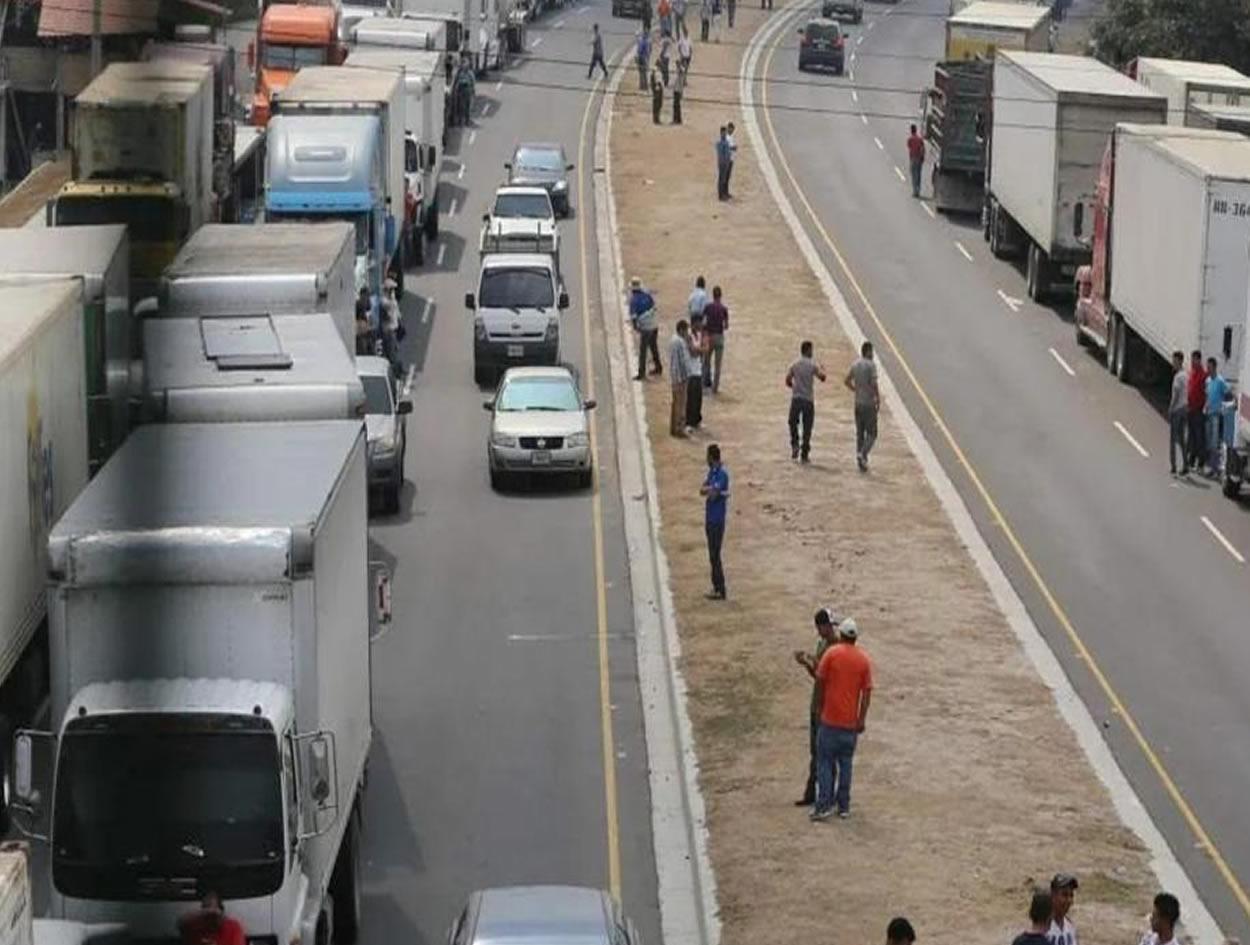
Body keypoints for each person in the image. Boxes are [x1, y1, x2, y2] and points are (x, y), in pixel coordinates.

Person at [811, 617, 871, 820]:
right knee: (846, 764)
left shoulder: (831, 654)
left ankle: (823, 805)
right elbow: (867, 693)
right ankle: (843, 805)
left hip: (830, 720)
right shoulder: (863, 660)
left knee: (825, 763)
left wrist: (818, 707)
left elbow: (819, 679)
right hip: (849, 724)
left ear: (842, 635)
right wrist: (861, 719)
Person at [793, 608, 841, 806]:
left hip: (826, 707)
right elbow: (819, 676)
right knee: (817, 752)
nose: (831, 630)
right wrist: (809, 664)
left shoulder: (834, 647)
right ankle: (816, 792)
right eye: (828, 626)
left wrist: (810, 664)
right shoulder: (824, 644)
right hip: (819, 705)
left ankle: (823, 794)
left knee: (826, 752)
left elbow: (826, 677)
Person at [786, 340, 827, 463]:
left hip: (796, 398)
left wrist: (794, 387)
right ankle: (804, 452)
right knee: (807, 427)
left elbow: (787, 380)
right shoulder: (812, 365)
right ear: (808, 350)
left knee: (792, 422)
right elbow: (822, 378)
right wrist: (822, 369)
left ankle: (794, 444)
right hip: (808, 399)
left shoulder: (795, 364)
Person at [844, 340, 880, 471]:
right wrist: (877, 398)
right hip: (868, 403)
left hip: (857, 402)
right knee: (872, 433)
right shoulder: (871, 365)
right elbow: (874, 383)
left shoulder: (855, 364)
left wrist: (855, 389)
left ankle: (861, 461)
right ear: (868, 351)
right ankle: (863, 453)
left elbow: (846, 381)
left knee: (860, 433)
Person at [700, 443, 729, 599]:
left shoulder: (722, 475)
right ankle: (715, 586)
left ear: (711, 457)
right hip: (710, 519)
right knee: (712, 555)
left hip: (717, 520)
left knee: (715, 555)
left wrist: (710, 490)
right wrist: (710, 489)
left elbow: (712, 494)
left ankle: (720, 588)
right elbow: (703, 490)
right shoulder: (712, 473)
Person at [178, 892, 246, 945]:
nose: (210, 919)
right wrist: (207, 911)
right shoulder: (196, 927)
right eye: (207, 914)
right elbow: (181, 922)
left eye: (213, 915)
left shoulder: (233, 927)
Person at [629, 277, 662, 379]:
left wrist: (636, 327)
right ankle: (658, 367)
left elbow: (634, 317)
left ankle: (641, 373)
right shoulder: (647, 295)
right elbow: (654, 307)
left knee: (643, 351)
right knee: (653, 347)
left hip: (646, 328)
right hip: (654, 325)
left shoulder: (633, 300)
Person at [1204, 356, 1228, 477]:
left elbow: (1228, 393)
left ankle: (1216, 468)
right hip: (1208, 414)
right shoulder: (1208, 381)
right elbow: (1207, 396)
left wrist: (1224, 407)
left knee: (1215, 442)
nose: (1207, 368)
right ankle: (1212, 467)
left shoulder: (1220, 381)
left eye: (1209, 366)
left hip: (1216, 415)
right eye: (1207, 366)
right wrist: (1205, 407)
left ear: (1214, 367)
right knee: (1209, 442)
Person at [702, 284, 728, 391]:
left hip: (709, 336)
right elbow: (726, 326)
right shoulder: (724, 309)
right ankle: (715, 388)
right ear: (720, 296)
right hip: (719, 337)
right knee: (718, 365)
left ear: (713, 295)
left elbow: (703, 322)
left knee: (706, 361)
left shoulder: (708, 307)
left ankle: (704, 383)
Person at [668, 319, 692, 436]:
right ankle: (679, 429)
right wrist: (688, 375)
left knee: (675, 403)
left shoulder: (673, 340)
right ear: (682, 330)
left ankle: (673, 427)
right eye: (686, 330)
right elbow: (684, 361)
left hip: (674, 376)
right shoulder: (681, 342)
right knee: (681, 404)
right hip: (681, 378)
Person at [1168, 350, 1189, 476]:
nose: (1173, 363)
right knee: (1181, 439)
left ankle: (1173, 466)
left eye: (1175, 361)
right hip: (1185, 408)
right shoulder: (1186, 375)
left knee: (1173, 439)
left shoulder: (1178, 377)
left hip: (1177, 410)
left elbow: (1175, 394)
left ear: (1180, 361)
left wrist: (1171, 408)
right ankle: (1185, 465)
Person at [380, 277, 404, 376]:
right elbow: (389, 309)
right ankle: (395, 372)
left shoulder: (391, 298)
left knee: (395, 349)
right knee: (391, 352)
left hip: (394, 328)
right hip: (388, 330)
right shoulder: (385, 301)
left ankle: (397, 369)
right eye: (391, 289)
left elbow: (396, 311)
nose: (393, 291)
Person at [1186, 349, 1205, 471]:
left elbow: (1203, 393)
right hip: (1190, 409)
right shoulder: (1192, 373)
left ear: (1199, 360)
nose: (1192, 362)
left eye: (1194, 359)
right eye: (1191, 359)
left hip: (1198, 410)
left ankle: (1201, 462)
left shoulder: (1203, 375)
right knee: (1191, 436)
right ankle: (1191, 460)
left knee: (1199, 437)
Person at [687, 312, 706, 428]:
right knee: (691, 398)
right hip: (690, 371)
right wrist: (700, 350)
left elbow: (704, 349)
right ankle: (689, 421)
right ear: (694, 323)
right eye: (700, 322)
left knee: (698, 397)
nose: (702, 325)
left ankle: (696, 420)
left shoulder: (699, 334)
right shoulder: (688, 335)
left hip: (698, 370)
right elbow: (692, 352)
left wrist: (699, 350)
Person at [1047, 874, 1078, 945]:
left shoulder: (1070, 927)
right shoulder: (1043, 927)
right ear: (1052, 895)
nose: (1069, 900)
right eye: (1064, 895)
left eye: (1071, 895)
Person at [906, 123, 925, 198]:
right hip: (919, 159)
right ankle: (918, 190)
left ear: (911, 131)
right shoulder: (920, 139)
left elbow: (909, 148)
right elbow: (922, 149)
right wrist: (922, 157)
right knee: (918, 174)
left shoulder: (910, 139)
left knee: (913, 175)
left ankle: (915, 191)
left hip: (913, 158)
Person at [354, 287, 374, 356]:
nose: (368, 298)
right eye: (367, 295)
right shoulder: (359, 304)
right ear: (362, 295)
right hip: (360, 334)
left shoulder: (367, 306)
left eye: (369, 296)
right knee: (363, 352)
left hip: (366, 333)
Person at [715, 126, 732, 200]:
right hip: (723, 163)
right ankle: (721, 195)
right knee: (721, 179)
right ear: (721, 133)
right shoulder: (720, 143)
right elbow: (721, 154)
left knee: (724, 179)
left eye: (725, 132)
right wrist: (724, 162)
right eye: (724, 132)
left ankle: (723, 194)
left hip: (726, 162)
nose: (725, 134)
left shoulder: (726, 142)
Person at [724, 122, 737, 195]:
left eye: (733, 130)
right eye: (731, 129)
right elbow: (726, 147)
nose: (732, 131)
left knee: (728, 177)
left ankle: (726, 192)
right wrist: (733, 148)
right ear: (728, 128)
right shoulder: (726, 137)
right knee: (725, 177)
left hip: (731, 159)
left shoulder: (731, 137)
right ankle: (724, 192)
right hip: (727, 159)